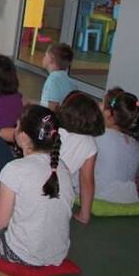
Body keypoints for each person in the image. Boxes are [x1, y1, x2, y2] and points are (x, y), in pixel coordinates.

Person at [0, 105, 74, 267]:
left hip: (18, 253)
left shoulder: (15, 169)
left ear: (23, 137)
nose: (14, 129)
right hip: (58, 252)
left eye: (16, 125)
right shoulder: (62, 167)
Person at [56, 91, 104, 224]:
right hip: (62, 198)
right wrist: (84, 215)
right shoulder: (90, 144)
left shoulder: (53, 130)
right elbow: (87, 181)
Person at [95, 88, 139, 203]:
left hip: (101, 195)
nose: (99, 105)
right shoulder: (134, 143)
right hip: (128, 196)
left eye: (102, 103)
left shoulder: (100, 136)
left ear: (109, 113)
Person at [40, 43, 77, 111]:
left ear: (51, 59)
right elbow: (46, 104)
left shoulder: (53, 80)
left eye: (45, 55)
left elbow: (52, 110)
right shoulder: (71, 82)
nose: (43, 57)